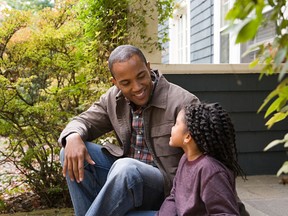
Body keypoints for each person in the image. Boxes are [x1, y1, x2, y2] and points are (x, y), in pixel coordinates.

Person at [58, 44, 199, 216]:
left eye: (141, 76)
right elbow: (83, 121)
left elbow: (209, 162)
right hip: (125, 182)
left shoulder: (183, 103)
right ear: (115, 83)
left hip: (164, 189)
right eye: (126, 83)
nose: (137, 87)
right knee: (69, 151)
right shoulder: (113, 99)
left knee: (127, 169)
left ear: (148, 67)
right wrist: (72, 136)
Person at [157, 102, 249, 216]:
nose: (172, 128)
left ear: (188, 137)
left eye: (176, 124)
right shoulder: (185, 159)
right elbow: (174, 197)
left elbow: (225, 213)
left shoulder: (210, 170)